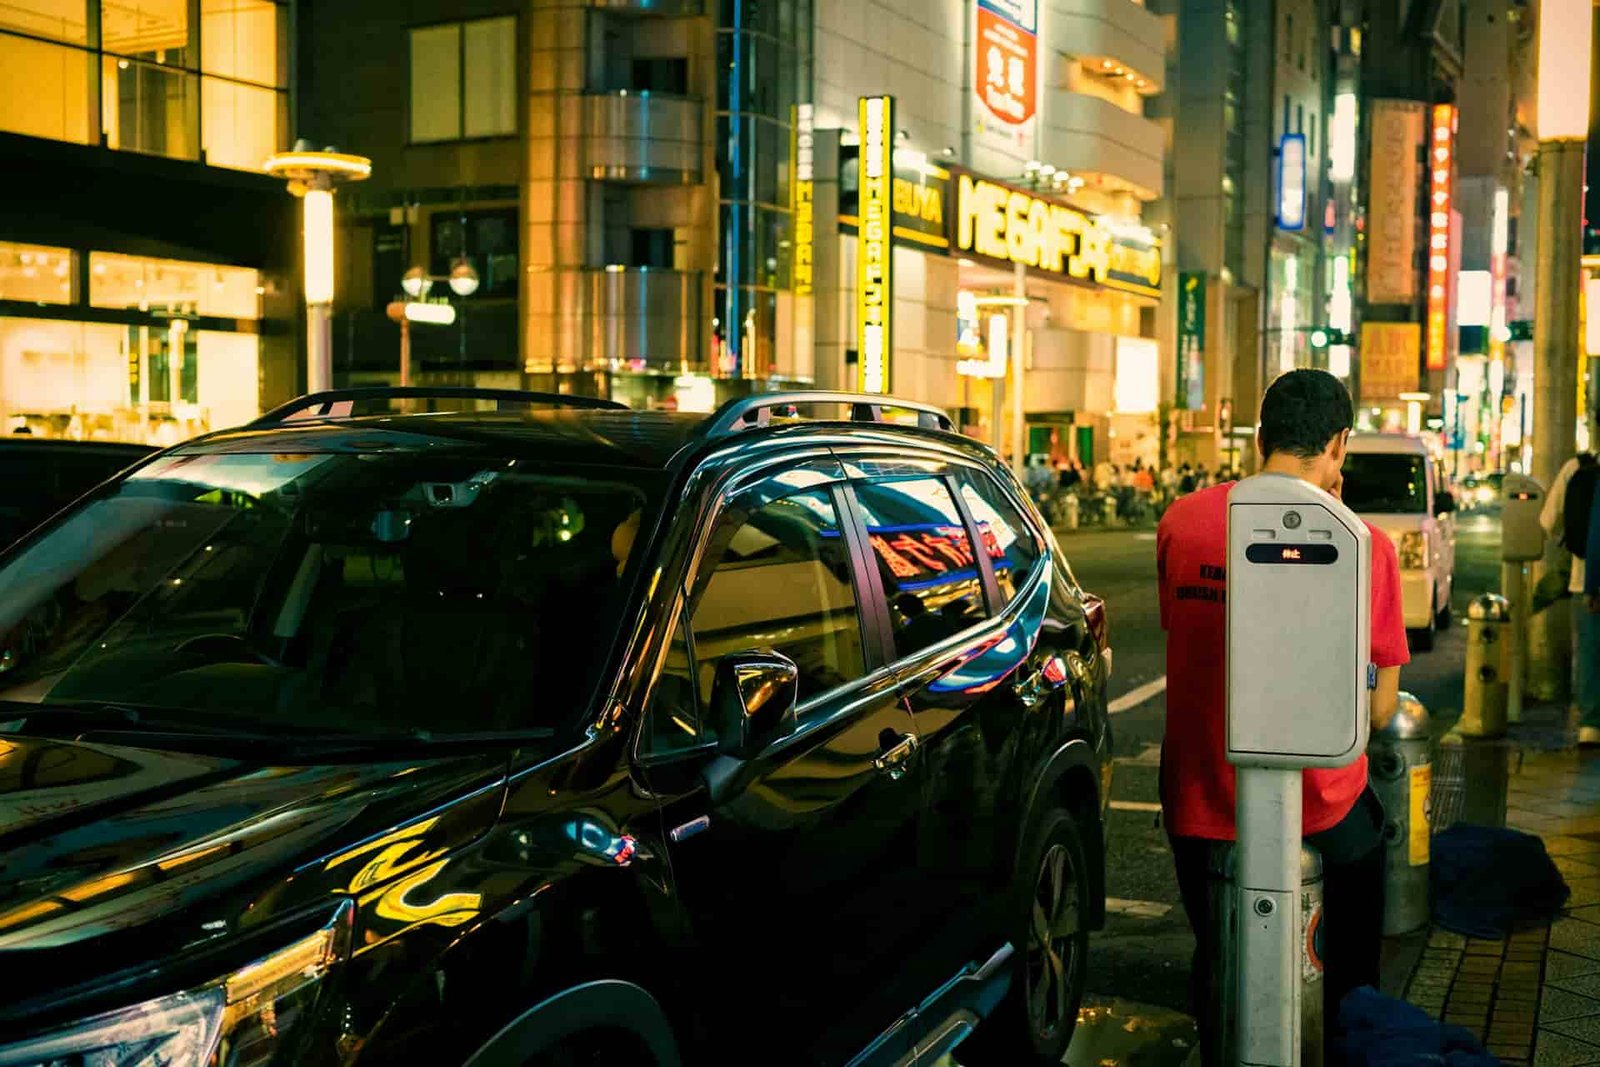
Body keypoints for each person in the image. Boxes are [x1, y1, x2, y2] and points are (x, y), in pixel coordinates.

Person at [1156, 369, 1409, 1057]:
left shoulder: (1182, 522)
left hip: (1198, 801)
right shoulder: (1364, 544)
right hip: (1320, 811)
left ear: (1260, 437)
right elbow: (1379, 711)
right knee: (1344, 976)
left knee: (1221, 954)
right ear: (1339, 443)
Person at [1544, 452, 1600, 746]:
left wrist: (1570, 541)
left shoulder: (1577, 468)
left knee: (1590, 654)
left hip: (1585, 577)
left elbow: (1547, 520)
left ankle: (1591, 723)